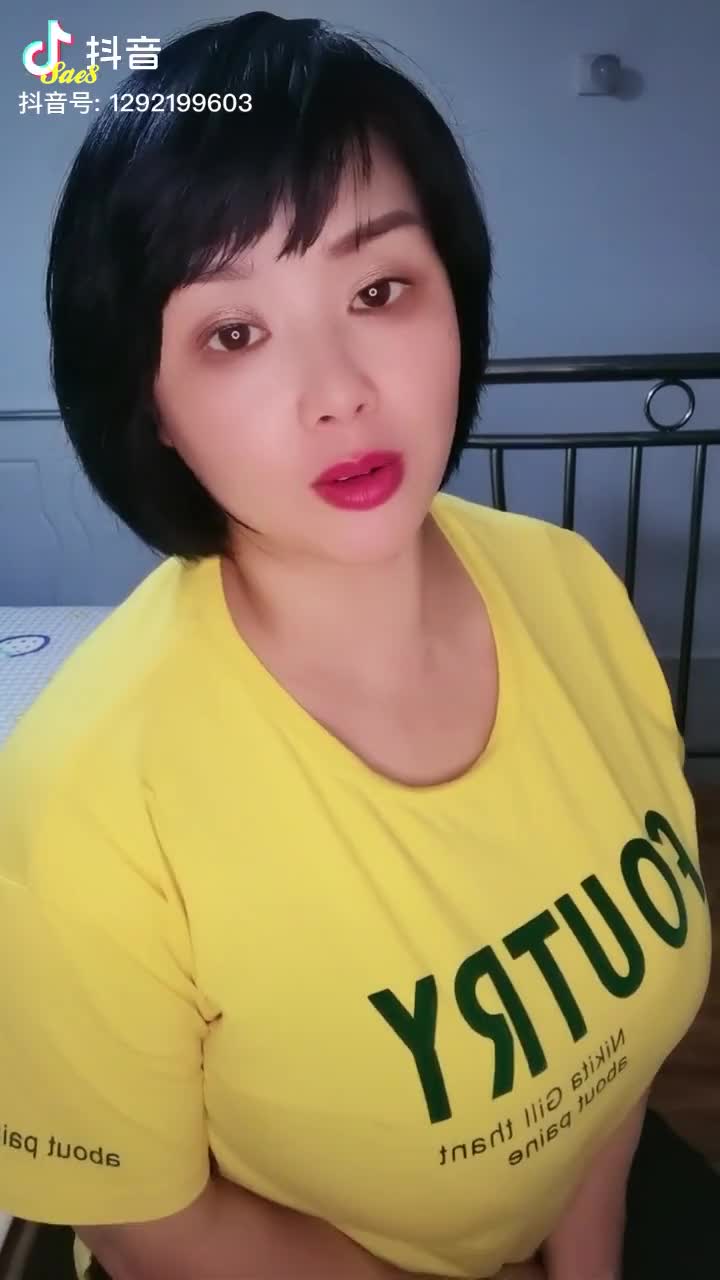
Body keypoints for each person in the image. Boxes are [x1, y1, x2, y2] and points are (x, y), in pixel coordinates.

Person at [0, 11, 712, 1280]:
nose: (338, 391)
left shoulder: (570, 585)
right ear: (149, 404)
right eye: (234, 332)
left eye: (378, 290)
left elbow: (607, 1057)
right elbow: (150, 1222)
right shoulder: (86, 797)